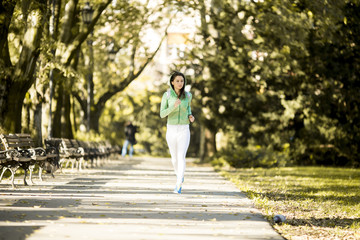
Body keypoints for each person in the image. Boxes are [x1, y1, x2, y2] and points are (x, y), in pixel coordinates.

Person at [160, 71, 195, 194]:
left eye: (182, 81)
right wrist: (173, 106)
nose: (180, 83)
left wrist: (190, 116)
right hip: (171, 129)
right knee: (174, 159)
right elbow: (162, 114)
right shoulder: (167, 95)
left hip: (184, 129)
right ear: (172, 82)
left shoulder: (188, 96)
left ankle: (178, 183)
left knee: (181, 156)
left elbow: (188, 109)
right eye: (178, 81)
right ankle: (179, 174)